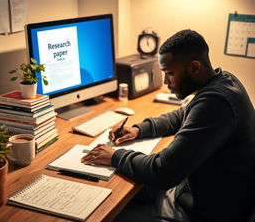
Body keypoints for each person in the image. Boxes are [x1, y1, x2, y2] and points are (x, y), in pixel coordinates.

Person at [81, 29, 255, 222]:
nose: (165, 82)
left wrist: (115, 156)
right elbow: (182, 115)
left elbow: (163, 171)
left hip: (205, 213)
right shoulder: (223, 81)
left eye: (170, 73)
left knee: (109, 215)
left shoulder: (215, 104)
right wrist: (139, 130)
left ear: (194, 67)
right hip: (197, 192)